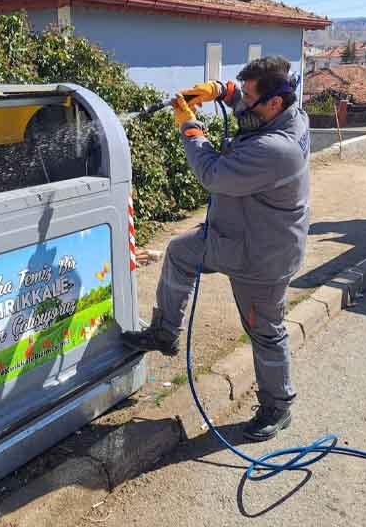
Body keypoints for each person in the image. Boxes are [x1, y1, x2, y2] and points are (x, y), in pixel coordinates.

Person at [121, 55, 310, 442]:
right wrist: (221, 90)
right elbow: (244, 97)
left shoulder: (279, 148)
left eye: (250, 99)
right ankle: (164, 332)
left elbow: (212, 174)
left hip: (262, 255)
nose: (242, 103)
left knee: (264, 330)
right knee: (179, 253)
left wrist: (190, 128)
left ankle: (278, 405)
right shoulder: (286, 111)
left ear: (275, 103)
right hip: (230, 234)